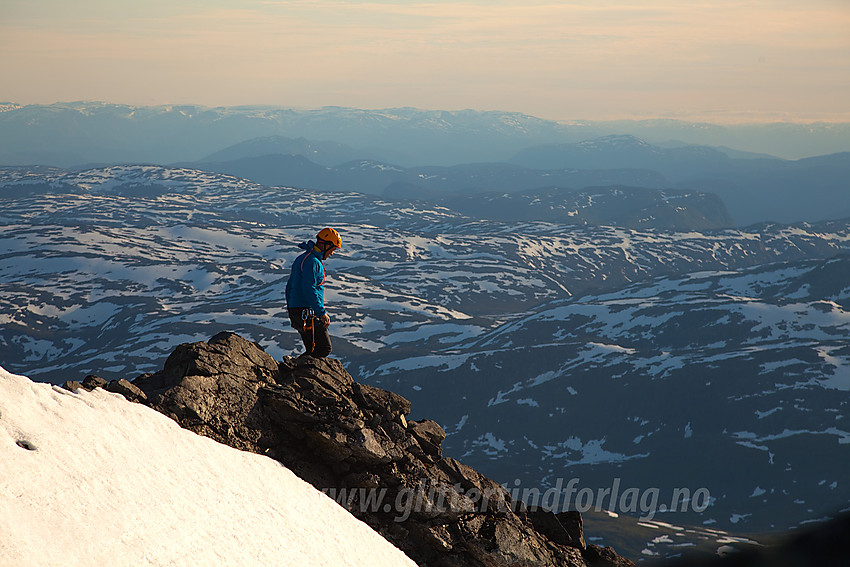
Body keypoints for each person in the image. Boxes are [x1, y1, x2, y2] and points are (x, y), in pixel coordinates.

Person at [285, 228, 342, 358]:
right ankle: (294, 369)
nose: (332, 253)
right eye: (333, 249)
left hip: (297, 311)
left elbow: (290, 287)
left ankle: (294, 371)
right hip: (307, 313)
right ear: (326, 245)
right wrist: (321, 312)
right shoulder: (312, 262)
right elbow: (309, 289)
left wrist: (291, 313)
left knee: (313, 349)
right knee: (323, 348)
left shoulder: (302, 258)